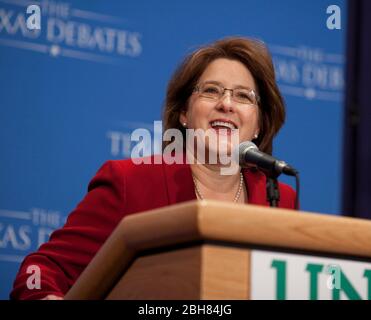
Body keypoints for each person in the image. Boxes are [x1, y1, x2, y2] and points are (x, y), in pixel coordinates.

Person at [10, 36, 296, 300]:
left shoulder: (279, 198)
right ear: (184, 113)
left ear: (259, 124)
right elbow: (41, 271)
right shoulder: (129, 181)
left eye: (244, 96)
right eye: (211, 91)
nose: (226, 104)